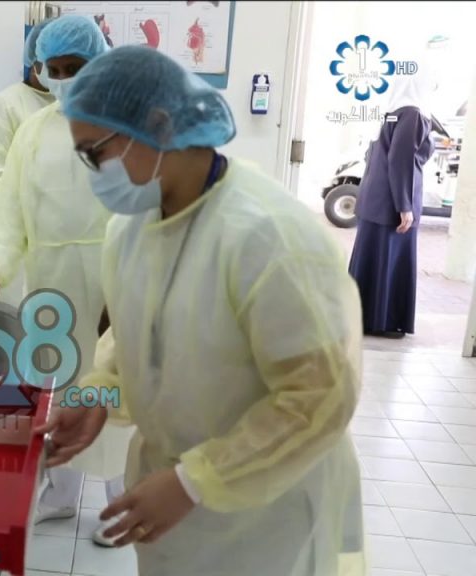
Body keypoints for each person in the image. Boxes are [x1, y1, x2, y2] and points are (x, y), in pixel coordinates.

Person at [37, 45, 366, 575]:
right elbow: (135, 343)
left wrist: (195, 481)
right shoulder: (132, 229)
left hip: (267, 508)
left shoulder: (267, 236)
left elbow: (319, 396)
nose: (93, 173)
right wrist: (97, 393)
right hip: (171, 497)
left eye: (95, 154)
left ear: (158, 125)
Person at [0, 15, 130, 544]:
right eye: (52, 69)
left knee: (116, 392)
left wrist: (126, 294)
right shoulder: (35, 132)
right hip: (52, 282)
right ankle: (60, 494)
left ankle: (119, 504)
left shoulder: (128, 126)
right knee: (57, 390)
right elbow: (10, 212)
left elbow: (147, 213)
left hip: (114, 283)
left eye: (72, 67)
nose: (61, 78)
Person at [349, 62, 437, 338]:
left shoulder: (393, 111)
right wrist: (405, 206)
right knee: (387, 260)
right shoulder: (412, 114)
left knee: (371, 260)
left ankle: (365, 319)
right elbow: (401, 161)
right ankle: (382, 322)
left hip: (376, 200)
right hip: (391, 205)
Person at [0, 18, 57, 196]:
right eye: (53, 65)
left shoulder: (78, 105)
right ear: (35, 62)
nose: (62, 73)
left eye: (73, 66)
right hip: (22, 211)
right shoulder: (4, 106)